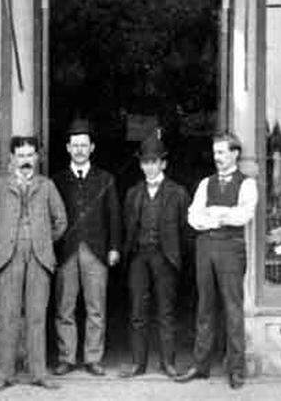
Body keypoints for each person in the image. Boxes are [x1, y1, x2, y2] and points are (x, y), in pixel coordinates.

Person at [0, 135, 68, 392]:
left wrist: (43, 242)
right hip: (9, 257)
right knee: (8, 316)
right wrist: (1, 242)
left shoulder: (47, 186)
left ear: (37, 158)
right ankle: (4, 374)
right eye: (21, 155)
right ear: (12, 159)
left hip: (40, 258)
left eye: (30, 155)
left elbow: (60, 220)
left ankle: (38, 373)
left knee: (37, 317)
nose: (26, 160)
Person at [175, 131, 259, 389]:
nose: (217, 157)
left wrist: (216, 213)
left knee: (233, 308)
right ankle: (201, 365)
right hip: (205, 247)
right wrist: (218, 216)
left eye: (222, 152)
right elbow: (193, 217)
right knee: (205, 307)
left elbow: (243, 215)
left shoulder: (247, 183)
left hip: (231, 248)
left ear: (235, 153)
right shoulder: (205, 183)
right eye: (215, 153)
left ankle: (236, 369)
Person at [51, 118, 122, 377]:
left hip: (96, 251)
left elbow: (114, 215)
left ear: (92, 148)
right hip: (66, 251)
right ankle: (66, 357)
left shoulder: (106, 179)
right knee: (65, 307)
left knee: (96, 307)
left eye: (84, 145)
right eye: (75, 145)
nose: (79, 150)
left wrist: (114, 247)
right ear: (68, 148)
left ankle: (93, 357)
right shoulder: (57, 180)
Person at [119, 136, 190, 379]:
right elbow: (127, 227)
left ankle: (167, 363)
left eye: (154, 161)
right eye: (145, 162)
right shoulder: (133, 193)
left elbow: (185, 231)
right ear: (140, 165)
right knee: (138, 311)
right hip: (138, 257)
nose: (149, 166)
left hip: (165, 257)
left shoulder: (178, 193)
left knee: (165, 312)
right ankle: (139, 364)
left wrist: (177, 257)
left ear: (163, 164)